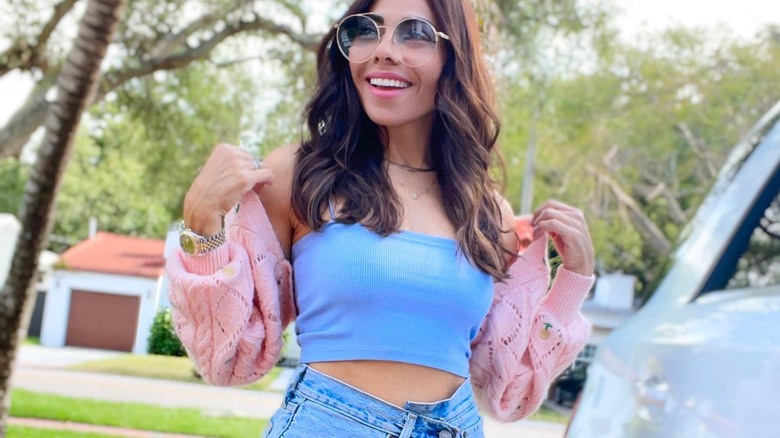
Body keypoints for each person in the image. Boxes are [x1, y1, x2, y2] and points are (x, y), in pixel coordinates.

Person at [166, 0, 595, 436]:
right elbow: (229, 359)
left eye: (414, 34)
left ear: (453, 58)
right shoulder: (301, 177)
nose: (384, 50)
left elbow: (509, 394)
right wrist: (202, 226)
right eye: (367, 30)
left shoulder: (486, 214)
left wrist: (573, 281)